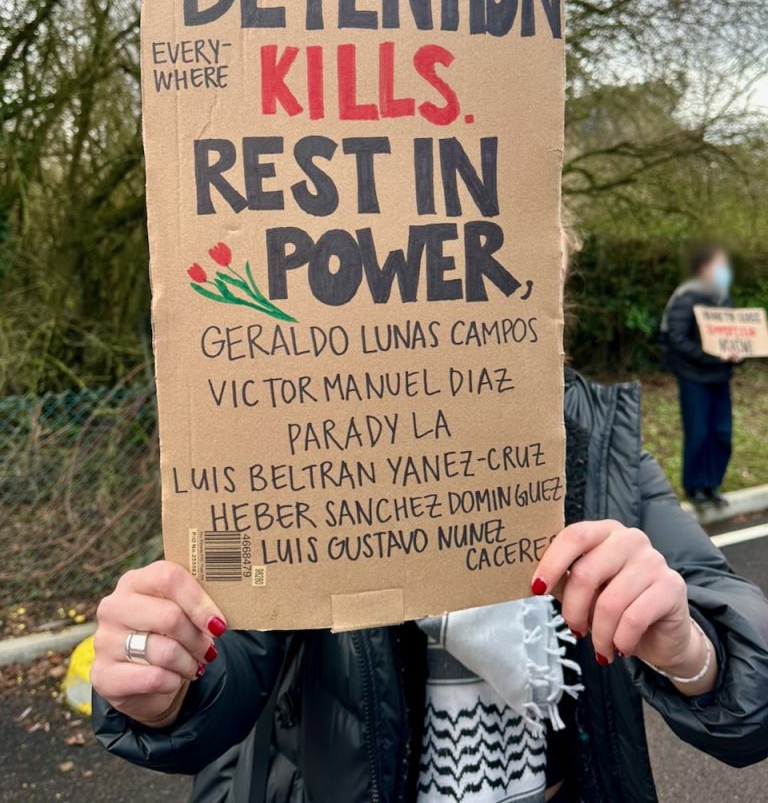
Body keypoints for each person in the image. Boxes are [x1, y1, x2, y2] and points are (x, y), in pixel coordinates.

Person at [91, 232, 768, 803]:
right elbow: (230, 653)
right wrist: (166, 681)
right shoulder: (294, 440)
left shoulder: (592, 443)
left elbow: (750, 688)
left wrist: (691, 653)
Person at [661, 245, 739, 506]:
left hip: (720, 378)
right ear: (704, 268)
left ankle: (712, 485)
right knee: (698, 432)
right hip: (693, 377)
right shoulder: (686, 296)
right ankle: (694, 488)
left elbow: (734, 334)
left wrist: (738, 353)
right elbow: (677, 338)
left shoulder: (723, 298)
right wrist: (713, 356)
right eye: (720, 265)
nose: (724, 271)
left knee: (721, 433)